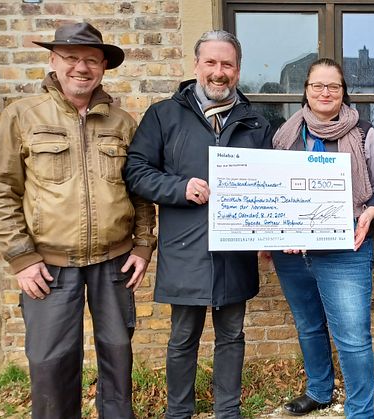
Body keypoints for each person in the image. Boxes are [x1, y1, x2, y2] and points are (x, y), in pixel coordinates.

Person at [0, 22, 157, 418]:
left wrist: (144, 245)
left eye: (91, 60)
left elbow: (140, 190)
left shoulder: (122, 123)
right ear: (53, 61)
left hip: (113, 262)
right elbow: (0, 189)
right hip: (48, 265)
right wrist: (22, 258)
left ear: (102, 68)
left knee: (117, 354)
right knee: (50, 362)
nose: (82, 68)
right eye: (72, 58)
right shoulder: (22, 116)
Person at [122, 31, 271, 418]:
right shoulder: (164, 114)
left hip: (236, 248)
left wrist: (274, 229)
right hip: (186, 247)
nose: (219, 73)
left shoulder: (256, 122)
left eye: (227, 65)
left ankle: (228, 411)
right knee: (182, 337)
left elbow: (272, 182)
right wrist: (179, 187)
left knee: (232, 335)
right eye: (211, 63)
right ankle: (179, 412)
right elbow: (136, 171)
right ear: (196, 65)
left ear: (237, 71)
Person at [267, 58, 374, 418]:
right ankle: (319, 391)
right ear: (305, 91)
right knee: (308, 325)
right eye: (317, 86)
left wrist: (371, 212)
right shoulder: (285, 134)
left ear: (343, 92)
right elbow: (272, 188)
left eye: (333, 86)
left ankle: (360, 410)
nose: (325, 93)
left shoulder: (364, 133)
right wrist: (271, 232)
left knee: (353, 337)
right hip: (292, 252)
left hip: (345, 249)